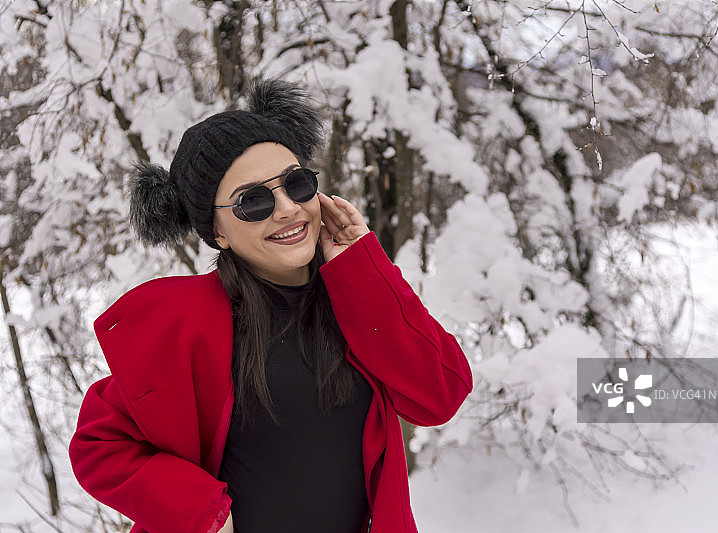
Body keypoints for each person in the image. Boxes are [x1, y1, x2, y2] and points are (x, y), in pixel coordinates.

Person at [68, 77, 473, 533]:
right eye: (252, 201)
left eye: (295, 184)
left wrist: (364, 269)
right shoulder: (184, 324)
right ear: (217, 232)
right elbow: (99, 444)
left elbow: (441, 396)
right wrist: (202, 513)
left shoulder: (357, 298)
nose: (286, 209)